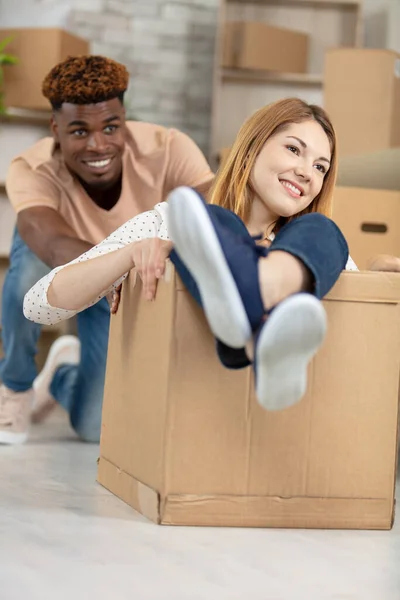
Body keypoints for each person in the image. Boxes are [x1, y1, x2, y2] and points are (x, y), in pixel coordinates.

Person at [24, 98, 357, 414]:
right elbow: (37, 306)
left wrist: (383, 271)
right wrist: (131, 253)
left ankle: (261, 288)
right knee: (213, 225)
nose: (306, 172)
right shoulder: (180, 222)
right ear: (252, 147)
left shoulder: (316, 241)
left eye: (320, 167)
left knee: (323, 230)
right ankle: (257, 318)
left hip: (262, 417)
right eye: (294, 149)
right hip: (183, 403)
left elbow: (368, 308)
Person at [0, 55, 214, 445]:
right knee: (26, 272)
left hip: (122, 280)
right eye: (79, 131)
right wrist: (122, 261)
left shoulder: (169, 149)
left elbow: (213, 213)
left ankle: (62, 373)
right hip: (67, 264)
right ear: (55, 129)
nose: (99, 145)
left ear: (124, 119)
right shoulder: (32, 168)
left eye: (111, 127)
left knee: (93, 427)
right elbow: (50, 241)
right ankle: (14, 385)